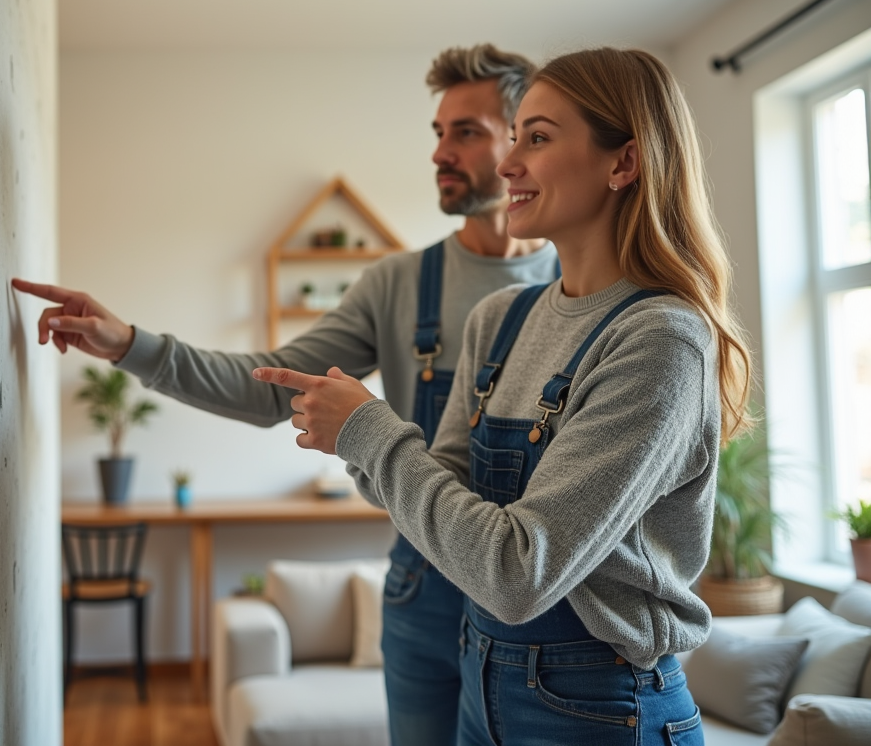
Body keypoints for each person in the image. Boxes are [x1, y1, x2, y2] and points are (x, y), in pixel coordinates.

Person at [13, 44, 560, 746]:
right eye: (437, 133)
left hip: (536, 599)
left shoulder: (577, 284)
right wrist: (129, 344)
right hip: (423, 593)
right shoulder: (399, 284)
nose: (439, 152)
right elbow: (271, 385)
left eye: (466, 132)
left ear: (522, 141)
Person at [252, 47, 752, 745]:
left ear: (623, 163)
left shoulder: (660, 340)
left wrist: (367, 431)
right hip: (479, 676)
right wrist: (354, 437)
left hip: (601, 706)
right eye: (513, 137)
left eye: (537, 138)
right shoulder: (503, 319)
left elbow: (519, 573)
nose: (508, 163)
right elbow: (446, 496)